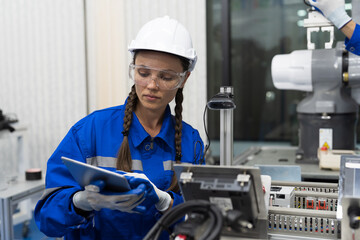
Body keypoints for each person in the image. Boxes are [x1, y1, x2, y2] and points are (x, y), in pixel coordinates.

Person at [34, 16, 204, 240]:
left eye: (166, 77)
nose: (152, 85)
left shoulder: (191, 142)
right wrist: (80, 203)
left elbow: (201, 218)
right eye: (144, 73)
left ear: (184, 79)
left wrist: (167, 202)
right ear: (133, 70)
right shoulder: (91, 131)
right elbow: (47, 218)